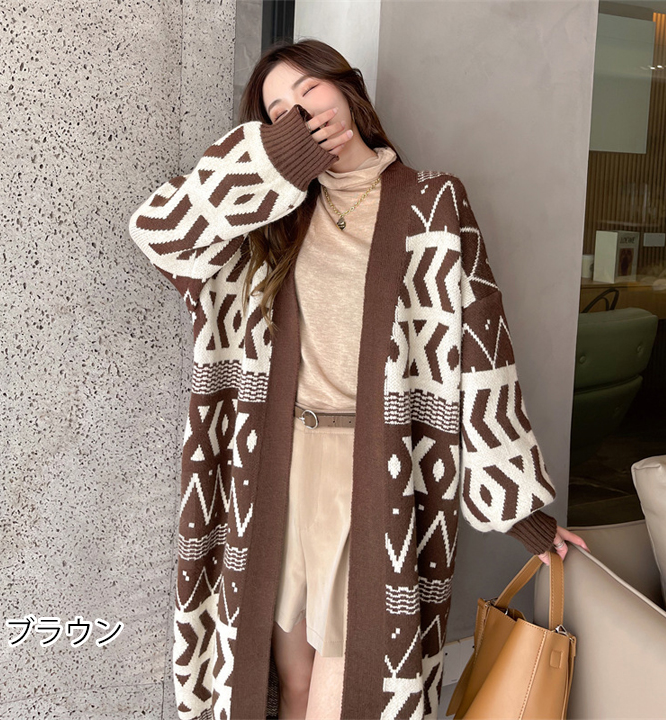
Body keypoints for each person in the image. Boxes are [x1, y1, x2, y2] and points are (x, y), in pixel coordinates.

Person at [128, 38, 589, 720]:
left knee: (351, 687)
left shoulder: (432, 202)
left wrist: (521, 513)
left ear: (347, 89)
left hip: (377, 473)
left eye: (308, 91)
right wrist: (275, 167)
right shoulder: (267, 223)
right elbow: (159, 232)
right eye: (277, 112)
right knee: (290, 680)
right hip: (275, 471)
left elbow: (481, 351)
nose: (298, 113)